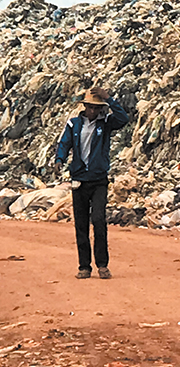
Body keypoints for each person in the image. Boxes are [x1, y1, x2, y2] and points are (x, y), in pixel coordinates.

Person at [54, 87, 130, 279]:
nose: (94, 111)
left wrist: (109, 98)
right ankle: (84, 267)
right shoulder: (74, 124)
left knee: (98, 219)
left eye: (98, 108)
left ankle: (102, 265)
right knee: (81, 223)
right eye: (92, 108)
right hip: (79, 179)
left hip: (98, 180)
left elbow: (123, 119)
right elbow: (64, 143)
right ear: (85, 107)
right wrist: (59, 160)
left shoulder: (105, 123)